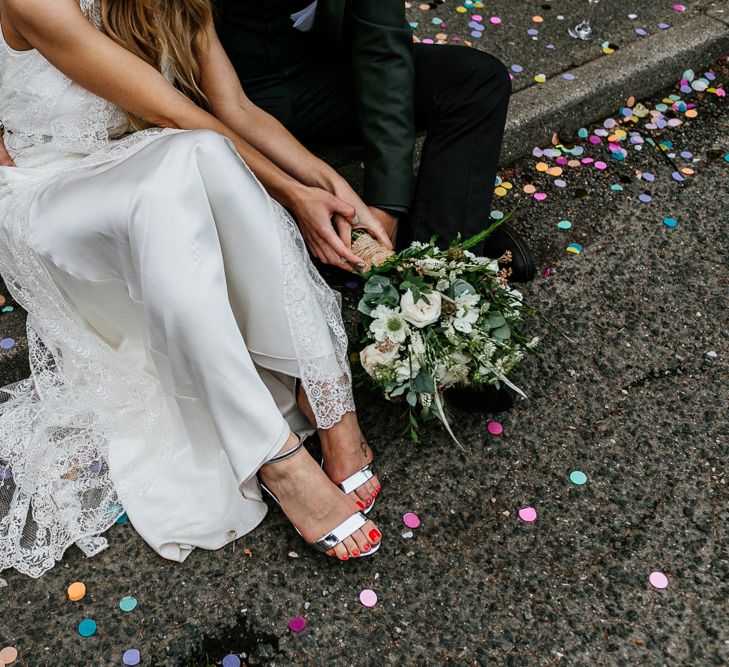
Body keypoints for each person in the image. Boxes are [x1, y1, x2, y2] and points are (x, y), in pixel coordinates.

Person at [0, 0, 386, 578]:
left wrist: (324, 183)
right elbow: (176, 113)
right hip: (48, 194)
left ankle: (330, 406)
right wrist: (292, 195)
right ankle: (275, 458)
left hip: (146, 165)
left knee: (191, 161)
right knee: (191, 157)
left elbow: (235, 109)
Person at [213, 0, 537, 282]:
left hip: (318, 77)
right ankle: (436, 232)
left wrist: (386, 206)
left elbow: (382, 48)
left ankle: (441, 270)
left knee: (476, 81)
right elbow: (220, 101)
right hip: (221, 95)